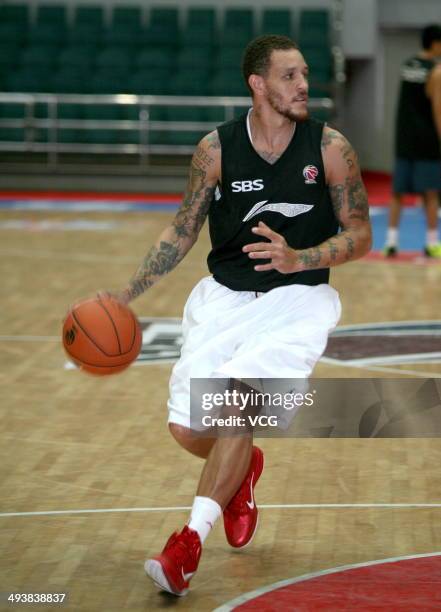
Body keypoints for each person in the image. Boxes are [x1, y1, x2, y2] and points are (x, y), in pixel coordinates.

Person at [109, 35, 372, 596]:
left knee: (235, 402)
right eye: (289, 76)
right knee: (187, 426)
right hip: (224, 299)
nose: (303, 85)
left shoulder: (330, 148)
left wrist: (297, 257)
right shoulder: (217, 149)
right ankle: (243, 468)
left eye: (305, 75)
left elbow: (360, 234)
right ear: (257, 84)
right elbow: (182, 229)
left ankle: (187, 544)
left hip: (298, 300)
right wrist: (126, 293)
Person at [384, 24, 441, 258]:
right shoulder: (437, 71)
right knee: (431, 194)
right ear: (436, 43)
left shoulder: (407, 65)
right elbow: (438, 108)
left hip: (404, 139)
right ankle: (431, 243)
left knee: (397, 193)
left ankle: (391, 242)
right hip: (427, 141)